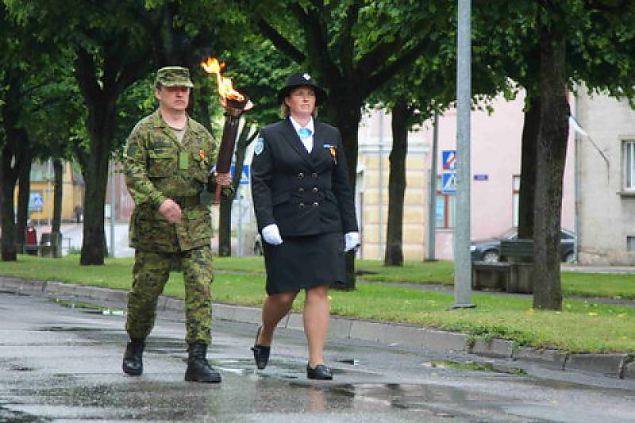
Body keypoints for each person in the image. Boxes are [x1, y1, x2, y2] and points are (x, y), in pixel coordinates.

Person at [121, 66, 232, 383]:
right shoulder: (144, 132)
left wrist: (222, 182)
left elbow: (214, 185)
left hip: (194, 225)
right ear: (158, 92)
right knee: (146, 292)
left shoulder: (202, 136)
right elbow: (134, 175)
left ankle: (197, 358)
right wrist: (159, 201)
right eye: (173, 89)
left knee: (200, 286)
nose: (180, 93)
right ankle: (135, 345)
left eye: (185, 88)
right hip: (155, 227)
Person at [250, 72, 360, 380]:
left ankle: (316, 361)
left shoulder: (330, 134)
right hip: (286, 224)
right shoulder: (270, 135)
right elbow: (260, 183)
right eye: (299, 94)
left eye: (310, 94)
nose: (305, 99)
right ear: (287, 101)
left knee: (318, 289)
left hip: (325, 222)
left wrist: (351, 227)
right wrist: (266, 223)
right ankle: (266, 333)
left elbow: (342, 184)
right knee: (284, 294)